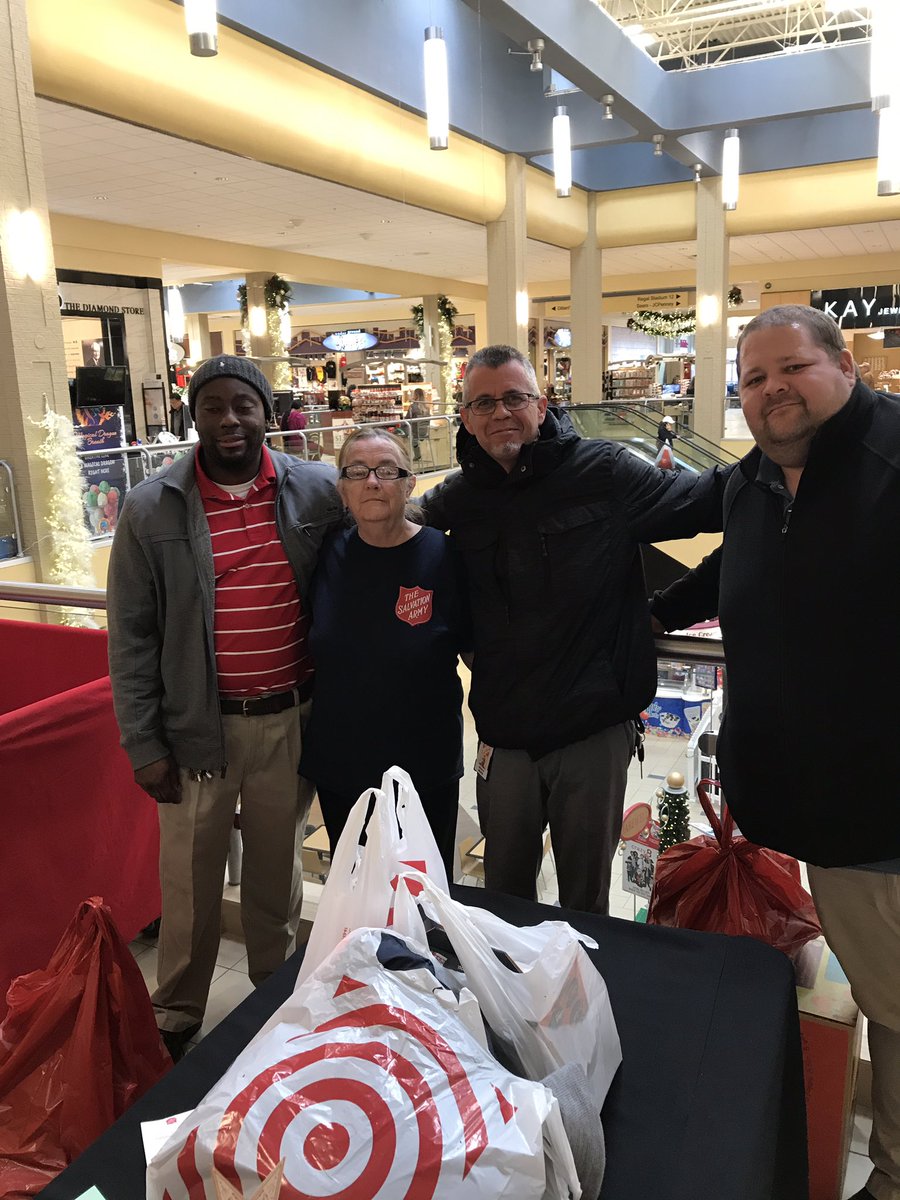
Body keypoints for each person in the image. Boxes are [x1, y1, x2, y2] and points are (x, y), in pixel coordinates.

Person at [650, 305, 900, 1200]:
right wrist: (648, 618)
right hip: (798, 792)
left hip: (877, 805)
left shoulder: (889, 461)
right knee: (870, 986)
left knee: (895, 1003)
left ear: (842, 366)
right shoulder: (758, 478)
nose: (772, 391)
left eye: (790, 368)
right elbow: (735, 567)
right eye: (753, 380)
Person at [419, 344, 731, 914]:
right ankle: (508, 998)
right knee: (503, 897)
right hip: (504, 733)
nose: (500, 413)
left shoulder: (604, 471)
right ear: (465, 417)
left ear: (542, 404)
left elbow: (700, 503)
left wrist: (786, 453)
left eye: (514, 397)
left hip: (592, 729)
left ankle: (583, 1000)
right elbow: (394, 535)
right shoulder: (456, 501)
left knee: (586, 899)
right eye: (483, 403)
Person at [107, 355, 342, 1061]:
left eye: (244, 404)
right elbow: (132, 635)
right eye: (213, 406)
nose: (230, 419)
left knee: (277, 876)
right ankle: (176, 1014)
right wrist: (143, 744)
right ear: (194, 417)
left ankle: (274, 997)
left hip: (291, 721)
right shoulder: (152, 508)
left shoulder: (318, 491)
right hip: (195, 733)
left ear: (268, 413)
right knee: (189, 883)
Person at [300, 427, 470, 873]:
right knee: (355, 894)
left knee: (424, 896)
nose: (371, 482)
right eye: (356, 471)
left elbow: (479, 651)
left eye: (386, 470)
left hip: (424, 769)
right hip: (341, 767)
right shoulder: (324, 555)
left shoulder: (444, 556)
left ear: (409, 483)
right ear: (342, 489)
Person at [406, 387, 429, 462]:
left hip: (416, 433)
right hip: (425, 432)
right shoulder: (427, 407)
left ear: (416, 395)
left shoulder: (413, 407)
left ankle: (416, 455)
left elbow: (407, 418)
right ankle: (417, 454)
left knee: (405, 432)